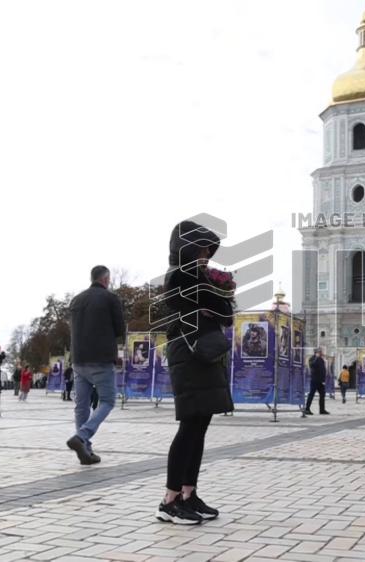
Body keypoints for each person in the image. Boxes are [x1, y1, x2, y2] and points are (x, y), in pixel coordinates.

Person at [158, 220, 235, 525]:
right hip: (188, 352)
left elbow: (226, 313)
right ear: (187, 248)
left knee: (201, 425)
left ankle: (189, 493)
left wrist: (215, 297)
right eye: (200, 249)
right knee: (189, 425)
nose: (205, 255)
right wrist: (214, 298)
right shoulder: (178, 275)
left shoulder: (200, 277)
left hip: (205, 352)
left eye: (207, 250)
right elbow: (201, 303)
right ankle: (169, 500)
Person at [66, 265, 126, 466]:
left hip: (78, 359)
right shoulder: (110, 298)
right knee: (107, 401)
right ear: (106, 279)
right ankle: (82, 436)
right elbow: (119, 329)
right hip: (101, 358)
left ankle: (86, 451)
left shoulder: (76, 300)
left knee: (81, 405)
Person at [304, 349, 329, 415]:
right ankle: (307, 409)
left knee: (322, 394)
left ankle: (322, 410)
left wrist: (323, 380)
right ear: (315, 353)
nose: (320, 353)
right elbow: (312, 365)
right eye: (319, 352)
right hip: (314, 380)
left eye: (320, 352)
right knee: (311, 394)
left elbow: (323, 370)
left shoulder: (321, 359)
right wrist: (316, 358)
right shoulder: (312, 359)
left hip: (321, 381)